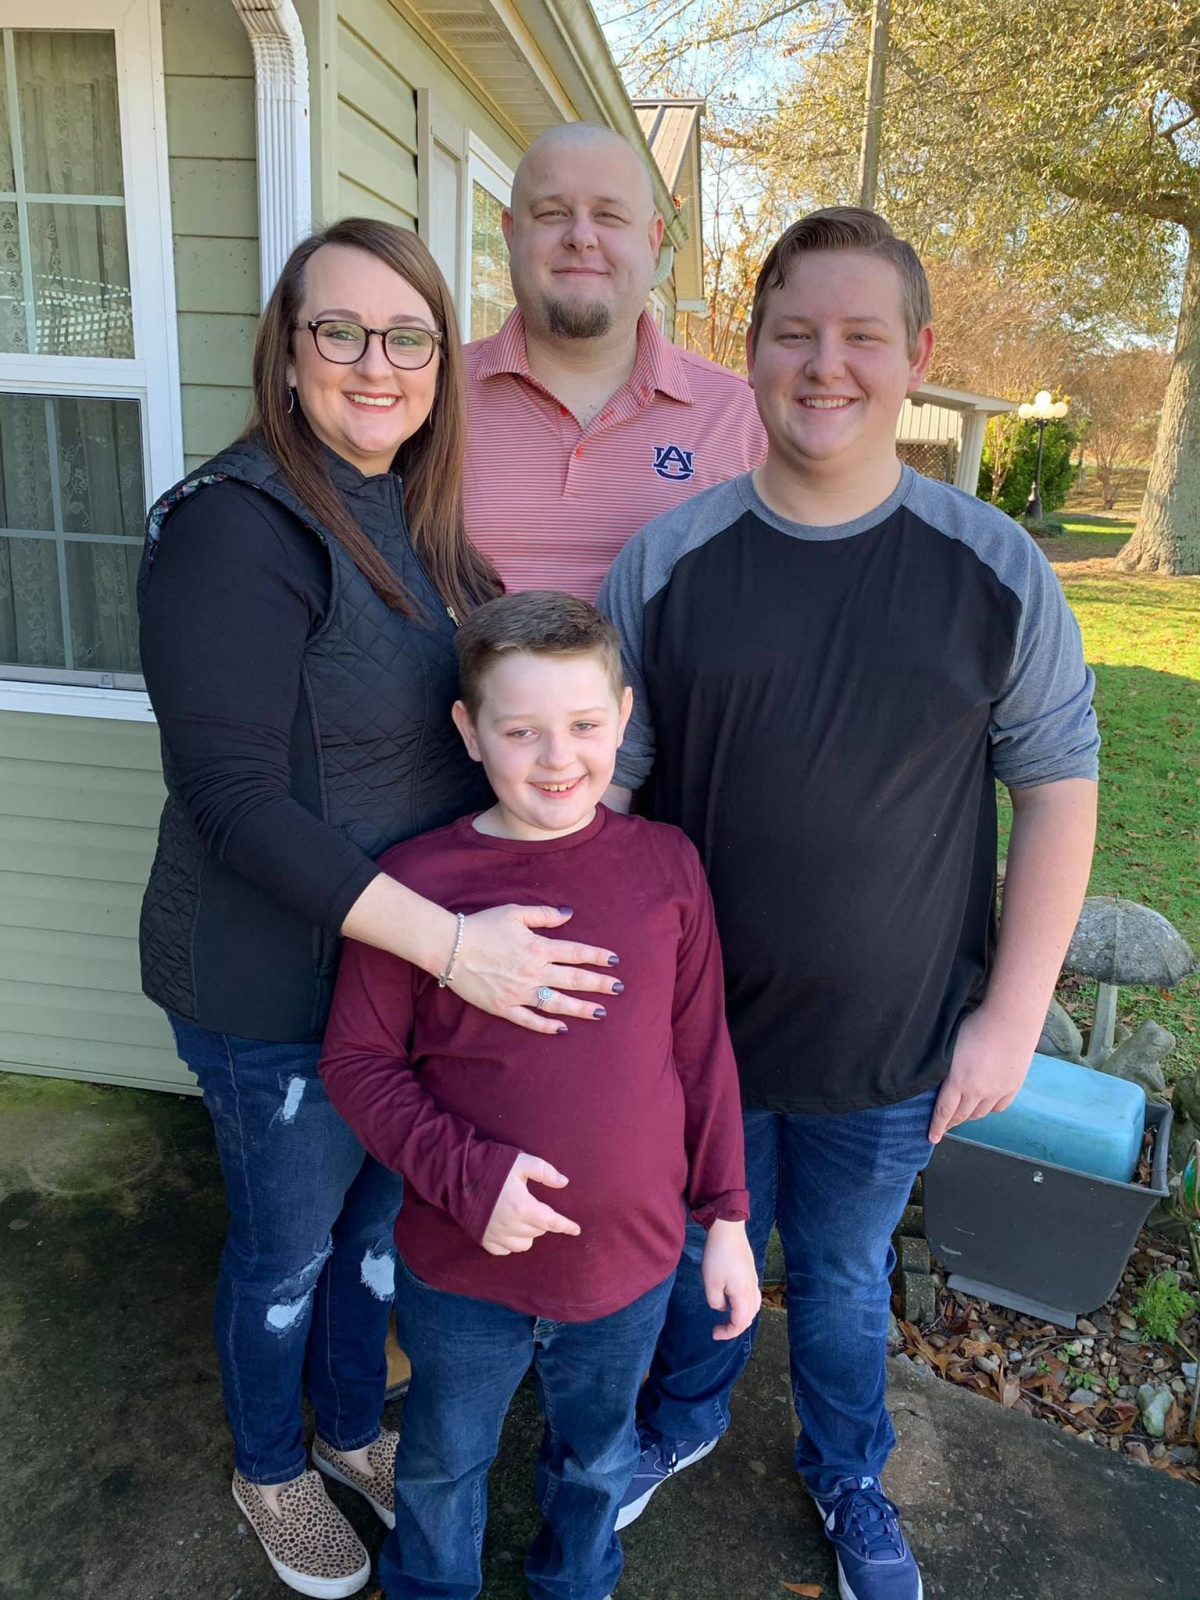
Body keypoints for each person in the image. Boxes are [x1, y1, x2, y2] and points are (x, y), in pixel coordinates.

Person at [598, 208, 1100, 1600]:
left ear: (917, 356)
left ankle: (847, 1471)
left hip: (896, 1045)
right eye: (796, 333)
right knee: (699, 1256)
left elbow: (1058, 787)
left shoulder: (992, 567)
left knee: (841, 1279)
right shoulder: (670, 562)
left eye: (862, 335)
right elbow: (607, 804)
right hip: (699, 1046)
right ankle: (683, 1419)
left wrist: (1012, 1017)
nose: (828, 365)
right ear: (752, 351)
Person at [138, 220, 625, 1600]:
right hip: (271, 987)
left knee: (370, 1232)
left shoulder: (413, 517)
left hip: (393, 981)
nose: (376, 363)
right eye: (339, 330)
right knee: (288, 1250)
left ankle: (350, 1429)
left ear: (438, 365)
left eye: (408, 336)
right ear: (288, 355)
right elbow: (231, 797)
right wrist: (456, 947)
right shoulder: (235, 531)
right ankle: (269, 1464)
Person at [320, 591, 761, 1600]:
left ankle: (576, 1582)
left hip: (629, 1264)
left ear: (624, 716)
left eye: (585, 725)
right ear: (469, 730)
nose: (559, 758)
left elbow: (702, 1053)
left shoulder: (667, 866)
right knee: (441, 1461)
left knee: (597, 1460)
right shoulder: (414, 884)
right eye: (521, 731)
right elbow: (358, 1063)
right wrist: (469, 1177)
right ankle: (432, 1585)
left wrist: (729, 1220)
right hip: (460, 1266)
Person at [463, 123, 765, 600]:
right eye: (553, 212)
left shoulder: (742, 418)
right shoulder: (430, 395)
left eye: (608, 215)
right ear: (510, 231)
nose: (581, 237)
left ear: (652, 239)